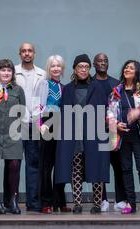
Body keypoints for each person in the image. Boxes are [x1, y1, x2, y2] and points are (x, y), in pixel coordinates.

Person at [55, 54, 110, 214]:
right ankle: (77, 203)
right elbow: (64, 112)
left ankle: (97, 204)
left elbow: (104, 110)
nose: (84, 69)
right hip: (74, 134)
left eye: (86, 67)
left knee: (96, 168)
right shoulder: (68, 89)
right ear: (75, 69)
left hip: (95, 134)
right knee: (76, 168)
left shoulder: (98, 87)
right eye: (80, 67)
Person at [107, 60, 140, 214]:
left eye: (131, 68)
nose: (127, 69)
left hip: (139, 135)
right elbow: (109, 112)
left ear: (137, 71)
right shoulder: (116, 91)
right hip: (123, 135)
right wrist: (115, 124)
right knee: (125, 169)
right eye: (126, 67)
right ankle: (130, 203)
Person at [0, 59, 26, 215]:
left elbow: (23, 112)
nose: (6, 73)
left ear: (12, 73)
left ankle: (12, 200)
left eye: (9, 70)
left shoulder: (18, 90)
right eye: (3, 70)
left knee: (14, 165)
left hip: (13, 133)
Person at [36, 55, 71, 214]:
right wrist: (40, 125)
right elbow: (37, 106)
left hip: (62, 125)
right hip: (47, 123)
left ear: (62, 69)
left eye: (59, 66)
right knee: (46, 167)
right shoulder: (44, 84)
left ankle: (60, 201)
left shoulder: (64, 87)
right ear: (48, 68)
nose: (56, 68)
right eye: (53, 66)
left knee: (61, 165)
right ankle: (46, 201)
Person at [14, 42, 47, 212]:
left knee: (33, 164)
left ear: (34, 53)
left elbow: (45, 100)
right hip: (16, 123)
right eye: (24, 51)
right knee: (14, 164)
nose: (27, 53)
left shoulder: (42, 74)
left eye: (30, 51)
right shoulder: (12, 72)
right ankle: (11, 202)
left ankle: (33, 202)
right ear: (20, 54)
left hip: (34, 123)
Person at [92, 53, 127, 212]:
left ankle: (120, 198)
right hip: (98, 131)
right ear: (94, 64)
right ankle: (102, 199)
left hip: (115, 131)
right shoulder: (90, 83)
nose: (102, 63)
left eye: (105, 60)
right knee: (100, 166)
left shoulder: (116, 83)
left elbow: (121, 106)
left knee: (119, 165)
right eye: (99, 61)